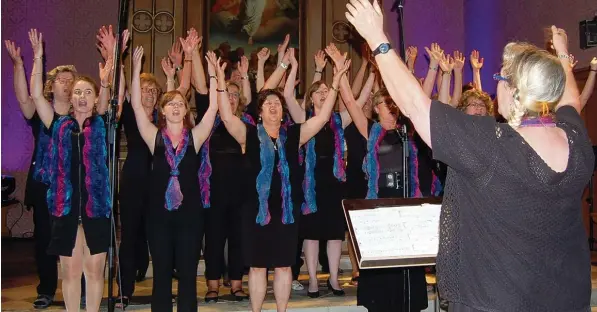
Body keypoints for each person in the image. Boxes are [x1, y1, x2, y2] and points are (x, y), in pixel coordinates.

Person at [346, 1, 594, 310]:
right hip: (567, 300)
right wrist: (561, 56)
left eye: (501, 78)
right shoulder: (577, 141)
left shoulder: (490, 144)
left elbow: (414, 105)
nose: (497, 85)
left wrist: (377, 40)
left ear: (517, 92)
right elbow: (570, 99)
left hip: (494, 302)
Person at [212, 46, 350, 311]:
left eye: (277, 103)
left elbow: (321, 118)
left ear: (283, 111)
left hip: (287, 212)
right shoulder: (249, 135)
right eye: (268, 104)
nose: (273, 106)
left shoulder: (294, 135)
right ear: (260, 112)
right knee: (257, 265)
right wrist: (220, 82)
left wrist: (335, 84)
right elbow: (227, 117)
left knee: (285, 264)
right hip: (255, 212)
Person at [29, 28, 113, 312]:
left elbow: (110, 97)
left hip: (96, 209)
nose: (81, 96)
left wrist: (109, 70)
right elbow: (37, 98)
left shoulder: (101, 123)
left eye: (87, 92)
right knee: (71, 272)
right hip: (64, 210)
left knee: (94, 271)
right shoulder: (59, 124)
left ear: (94, 97)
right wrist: (38, 59)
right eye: (77, 92)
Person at [4, 38, 89, 310]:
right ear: (51, 85)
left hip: (75, 186)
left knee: (77, 241)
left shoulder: (84, 114)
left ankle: (81, 291)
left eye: (71, 79)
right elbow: (23, 98)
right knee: (45, 242)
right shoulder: (43, 112)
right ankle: (47, 290)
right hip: (44, 185)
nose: (66, 83)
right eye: (61, 79)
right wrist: (19, 65)